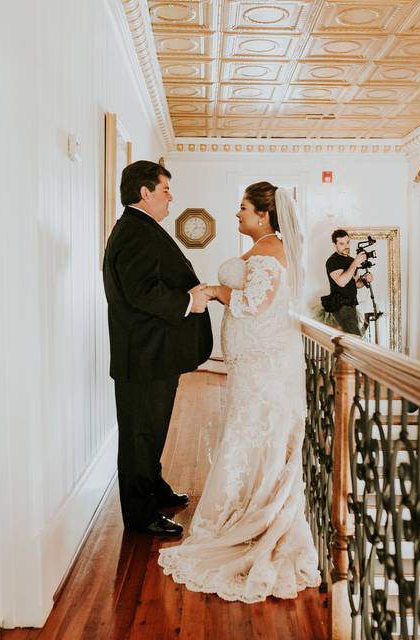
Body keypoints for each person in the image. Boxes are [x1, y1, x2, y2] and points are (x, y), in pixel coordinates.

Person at [158, 182, 321, 603]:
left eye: (243, 208)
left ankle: (252, 511)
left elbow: (253, 303)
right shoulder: (266, 246)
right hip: (254, 362)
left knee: (252, 430)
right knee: (248, 429)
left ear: (264, 215)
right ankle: (247, 499)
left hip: (262, 366)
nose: (238, 215)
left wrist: (214, 292)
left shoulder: (269, 251)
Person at [102, 160, 213, 536]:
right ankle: (140, 514)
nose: (171, 197)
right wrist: (188, 301)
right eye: (166, 190)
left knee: (151, 429)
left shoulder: (140, 227)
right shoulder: (135, 231)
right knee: (139, 435)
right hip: (143, 357)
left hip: (152, 354)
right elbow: (141, 292)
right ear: (145, 192)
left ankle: (155, 487)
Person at [324, 229, 373, 335]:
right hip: (340, 307)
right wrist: (356, 262)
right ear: (334, 245)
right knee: (355, 340)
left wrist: (365, 280)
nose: (346, 246)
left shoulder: (351, 260)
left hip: (352, 305)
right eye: (341, 243)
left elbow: (356, 284)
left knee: (349, 340)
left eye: (347, 242)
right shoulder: (332, 261)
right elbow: (342, 282)